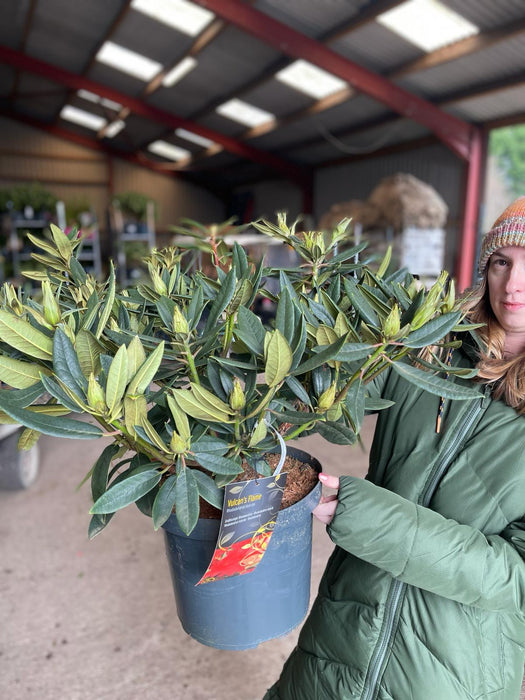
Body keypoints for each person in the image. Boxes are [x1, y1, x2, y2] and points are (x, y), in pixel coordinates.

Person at [264, 197, 525, 700]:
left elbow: (516, 577)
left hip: (451, 667)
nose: (513, 285)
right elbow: (326, 387)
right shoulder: (424, 351)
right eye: (502, 262)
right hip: (343, 630)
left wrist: (372, 519)